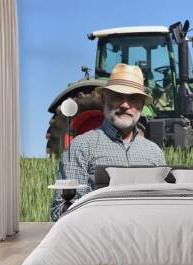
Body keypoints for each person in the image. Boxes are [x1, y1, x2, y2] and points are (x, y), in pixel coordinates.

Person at [50, 63, 166, 221]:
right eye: (118, 96)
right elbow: (60, 211)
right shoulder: (81, 147)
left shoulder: (154, 154)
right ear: (104, 99)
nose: (125, 105)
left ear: (142, 105)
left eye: (133, 98)